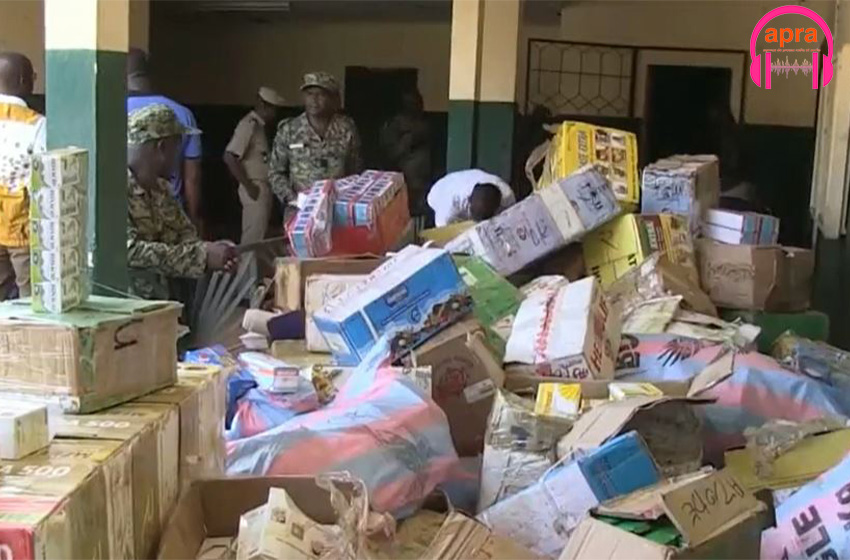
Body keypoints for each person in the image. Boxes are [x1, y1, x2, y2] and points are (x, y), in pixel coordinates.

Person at [127, 104, 237, 301]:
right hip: (129, 313)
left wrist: (214, 251)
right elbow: (129, 252)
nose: (180, 155)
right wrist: (201, 256)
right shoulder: (113, 192)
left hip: (165, 307)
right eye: (177, 146)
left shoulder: (161, 189)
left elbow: (184, 235)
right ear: (161, 148)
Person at [126, 48, 204, 231]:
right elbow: (192, 178)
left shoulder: (162, 191)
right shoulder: (183, 113)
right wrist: (194, 220)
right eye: (173, 147)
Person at [269, 72, 362, 218]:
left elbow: (355, 170)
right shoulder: (289, 129)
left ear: (331, 98)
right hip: (300, 211)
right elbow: (275, 172)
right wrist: (292, 199)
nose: (314, 100)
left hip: (338, 211)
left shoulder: (346, 128)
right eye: (309, 94)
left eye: (321, 94)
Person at [223, 87, 285, 283]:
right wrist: (250, 187)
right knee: (252, 241)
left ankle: (251, 282)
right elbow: (230, 156)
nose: (274, 114)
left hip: (261, 187)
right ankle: (242, 286)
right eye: (272, 108)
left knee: (258, 239)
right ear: (263, 105)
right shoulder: (248, 125)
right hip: (255, 188)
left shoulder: (259, 126)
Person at [0, 52, 44, 300]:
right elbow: (43, 179)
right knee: (29, 297)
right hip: (22, 227)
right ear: (22, 80)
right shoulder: (37, 125)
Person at [380, 89, 431, 215]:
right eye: (411, 103)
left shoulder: (424, 122)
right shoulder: (394, 125)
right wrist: (407, 142)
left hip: (423, 182)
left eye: (418, 103)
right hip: (404, 182)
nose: (415, 106)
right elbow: (389, 155)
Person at [427, 169, 516, 227]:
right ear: (469, 199)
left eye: (484, 216)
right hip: (439, 192)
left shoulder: (507, 196)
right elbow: (442, 231)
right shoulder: (451, 203)